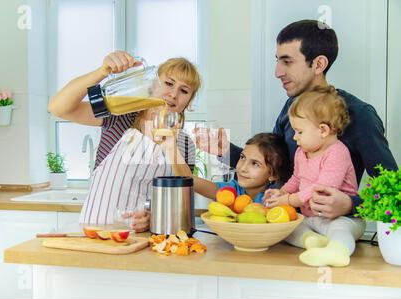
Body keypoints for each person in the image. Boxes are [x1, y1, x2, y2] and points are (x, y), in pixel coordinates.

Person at [196, 19, 398, 218]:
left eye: (287, 61)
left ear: (319, 64)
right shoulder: (291, 108)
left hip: (332, 230)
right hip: (286, 226)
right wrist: (225, 150)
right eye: (277, 60)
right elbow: (273, 166)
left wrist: (350, 205)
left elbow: (394, 193)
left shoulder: (360, 114)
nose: (277, 72)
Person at [48, 51, 201, 232]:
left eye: (184, 91)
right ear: (152, 84)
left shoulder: (184, 144)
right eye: (168, 83)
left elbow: (180, 202)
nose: (174, 94)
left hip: (142, 242)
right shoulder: (119, 116)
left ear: (189, 101)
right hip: (94, 234)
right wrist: (102, 71)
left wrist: (152, 218)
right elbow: (58, 108)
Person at [264, 86, 365, 267]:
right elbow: (297, 178)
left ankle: (338, 252)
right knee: (291, 227)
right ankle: (313, 242)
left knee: (341, 230)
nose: (295, 137)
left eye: (299, 131)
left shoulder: (337, 153)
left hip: (343, 218)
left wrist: (288, 200)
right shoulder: (302, 152)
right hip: (313, 219)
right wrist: (281, 192)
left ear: (323, 130)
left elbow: (320, 188)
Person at [161, 132, 290, 204]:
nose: (243, 168)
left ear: (273, 175)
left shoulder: (275, 198)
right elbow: (190, 180)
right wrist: (172, 148)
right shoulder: (231, 190)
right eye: (242, 157)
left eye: (255, 163)